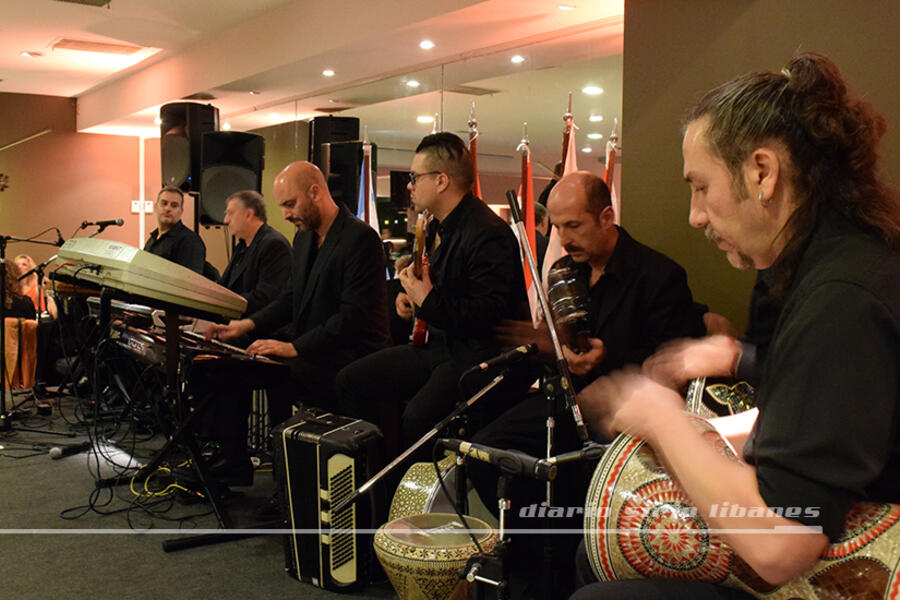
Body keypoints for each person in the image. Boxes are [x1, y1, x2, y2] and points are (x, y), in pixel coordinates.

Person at [571, 52, 900, 599]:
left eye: (701, 187)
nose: (695, 215)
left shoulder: (840, 299)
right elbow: (822, 398)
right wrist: (738, 360)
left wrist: (664, 421)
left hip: (857, 569)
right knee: (591, 559)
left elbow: (780, 546)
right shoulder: (809, 265)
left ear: (762, 173)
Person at [469, 171, 704, 598]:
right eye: (556, 226)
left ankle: (565, 562)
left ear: (607, 216)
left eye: (573, 225)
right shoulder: (563, 271)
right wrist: (544, 344)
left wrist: (607, 362)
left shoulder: (659, 275)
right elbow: (559, 344)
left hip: (626, 415)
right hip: (566, 401)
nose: (562, 237)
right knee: (485, 452)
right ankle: (533, 553)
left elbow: (673, 364)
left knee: (572, 478)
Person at [334, 132, 529, 456]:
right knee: (349, 381)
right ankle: (375, 481)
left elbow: (488, 315)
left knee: (418, 420)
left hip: (473, 356)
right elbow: (439, 292)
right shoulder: (440, 225)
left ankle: (414, 497)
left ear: (441, 181)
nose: (409, 185)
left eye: (414, 177)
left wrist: (428, 301)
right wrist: (412, 300)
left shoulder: (488, 233)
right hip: (438, 347)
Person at [200, 161, 390, 484]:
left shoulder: (360, 239)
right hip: (314, 349)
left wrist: (293, 347)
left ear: (315, 192)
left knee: (265, 371)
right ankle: (235, 462)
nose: (285, 214)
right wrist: (245, 326)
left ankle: (285, 483)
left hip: (350, 357)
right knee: (227, 363)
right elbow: (290, 299)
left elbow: (351, 319)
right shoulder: (303, 240)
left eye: (290, 204)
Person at [217, 190, 291, 317]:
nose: (226, 220)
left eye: (230, 213)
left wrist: (222, 304)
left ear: (249, 214)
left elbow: (265, 298)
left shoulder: (274, 245)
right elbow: (223, 287)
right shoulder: (241, 246)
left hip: (256, 328)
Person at [143, 186, 206, 274]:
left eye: (174, 205)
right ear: (155, 207)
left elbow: (189, 282)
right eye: (164, 203)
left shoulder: (190, 241)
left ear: (181, 211)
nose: (168, 209)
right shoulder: (152, 239)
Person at [14, 254, 57, 319]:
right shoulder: (12, 288)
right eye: (17, 264)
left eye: (24, 264)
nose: (20, 267)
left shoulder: (36, 288)